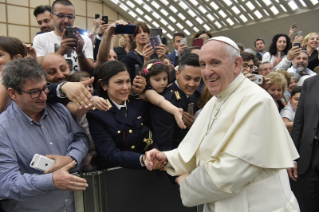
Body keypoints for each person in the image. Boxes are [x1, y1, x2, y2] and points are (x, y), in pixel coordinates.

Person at [145, 36, 299, 212]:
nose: (207, 72)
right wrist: (168, 158)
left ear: (236, 64)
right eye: (203, 64)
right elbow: (198, 147)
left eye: (215, 63)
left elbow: (230, 173)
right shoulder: (215, 100)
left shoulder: (257, 101)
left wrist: (186, 184)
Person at [0, 58, 89, 211]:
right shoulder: (3, 129)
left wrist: (71, 158)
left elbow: (81, 138)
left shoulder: (59, 110)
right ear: (13, 93)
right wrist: (52, 180)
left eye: (45, 88)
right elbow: (7, 183)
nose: (44, 97)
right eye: (34, 92)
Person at [86, 60, 159, 170]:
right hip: (115, 175)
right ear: (104, 85)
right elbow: (110, 154)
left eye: (128, 81)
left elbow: (149, 135)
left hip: (148, 168)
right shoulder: (97, 114)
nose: (125, 87)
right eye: (119, 82)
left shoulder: (138, 104)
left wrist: (155, 153)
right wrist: (141, 159)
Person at [150, 53, 201, 151]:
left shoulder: (195, 94)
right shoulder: (167, 102)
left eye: (197, 79)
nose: (192, 84)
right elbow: (166, 148)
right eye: (187, 78)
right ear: (177, 74)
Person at [33, 0, 94, 74]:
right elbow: (41, 71)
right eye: (61, 16)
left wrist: (80, 53)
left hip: (79, 84)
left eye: (70, 17)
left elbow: (89, 73)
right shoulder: (40, 39)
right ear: (51, 16)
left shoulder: (85, 40)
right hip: (54, 85)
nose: (66, 20)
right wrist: (60, 52)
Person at [289, 74, 319, 211]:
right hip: (309, 156)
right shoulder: (310, 83)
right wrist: (293, 157)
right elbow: (299, 123)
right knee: (308, 206)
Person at [139, 60, 184, 129]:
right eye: (157, 80)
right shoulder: (148, 91)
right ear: (148, 80)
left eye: (165, 79)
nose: (162, 83)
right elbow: (160, 101)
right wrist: (175, 110)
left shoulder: (164, 87)